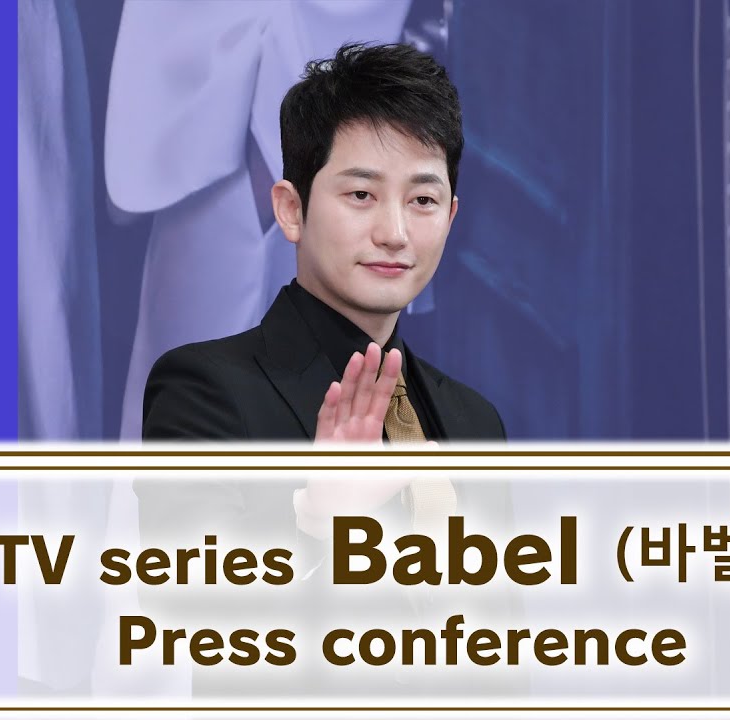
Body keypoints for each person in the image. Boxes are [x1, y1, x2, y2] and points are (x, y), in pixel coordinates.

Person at [138, 43, 519, 697]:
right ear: (292, 208)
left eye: (423, 200)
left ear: (451, 215)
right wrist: (322, 525)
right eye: (362, 194)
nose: (395, 231)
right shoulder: (206, 389)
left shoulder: (474, 421)